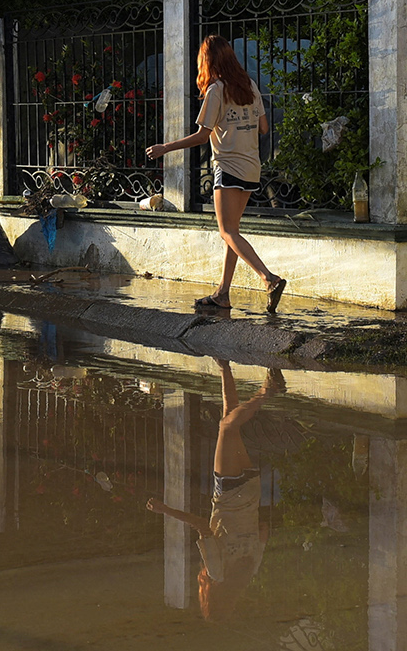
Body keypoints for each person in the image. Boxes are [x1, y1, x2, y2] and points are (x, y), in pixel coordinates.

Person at [147, 35, 287, 313]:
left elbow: (202, 136)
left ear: (207, 61)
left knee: (226, 231)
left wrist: (166, 147)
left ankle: (268, 278)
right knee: (231, 233)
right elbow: (263, 128)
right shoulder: (250, 86)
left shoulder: (216, 91)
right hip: (251, 168)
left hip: (228, 167)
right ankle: (222, 294)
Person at [146, 360, 282, 622]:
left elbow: (264, 530)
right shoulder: (216, 573)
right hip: (228, 493)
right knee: (227, 427)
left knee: (230, 418)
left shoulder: (249, 571)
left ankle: (224, 367)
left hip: (251, 493)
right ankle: (268, 391)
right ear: (208, 597)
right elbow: (202, 527)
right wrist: (165, 510)